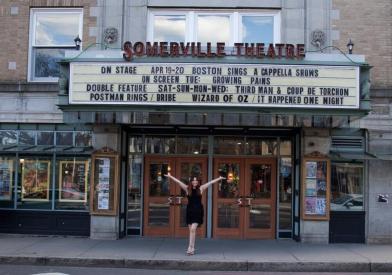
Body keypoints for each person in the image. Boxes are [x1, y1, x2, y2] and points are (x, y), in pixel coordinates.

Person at [165, 173, 224, 256]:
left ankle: (190, 247)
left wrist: (219, 178)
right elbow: (178, 182)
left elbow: (210, 183)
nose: (195, 182)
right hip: (190, 211)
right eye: (193, 180)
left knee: (193, 229)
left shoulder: (201, 188)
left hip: (198, 211)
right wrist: (170, 176)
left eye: (196, 180)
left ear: (198, 181)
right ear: (191, 181)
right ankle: (192, 248)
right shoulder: (187, 188)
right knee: (191, 231)